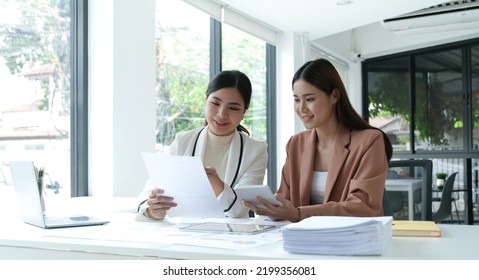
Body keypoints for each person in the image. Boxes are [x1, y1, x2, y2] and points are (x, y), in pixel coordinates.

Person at [244, 58, 393, 222]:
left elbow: (363, 207)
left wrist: (298, 214)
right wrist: (271, 207)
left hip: (351, 240)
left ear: (334, 96)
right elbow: (285, 199)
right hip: (304, 239)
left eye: (309, 99)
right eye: (296, 99)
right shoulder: (296, 144)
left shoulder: (370, 141)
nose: (302, 109)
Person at [136, 70, 268, 221]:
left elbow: (241, 209)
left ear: (244, 111)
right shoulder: (182, 141)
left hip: (232, 238)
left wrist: (216, 183)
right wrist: (153, 210)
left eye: (233, 108)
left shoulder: (256, 150)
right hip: (184, 233)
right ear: (206, 101)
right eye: (215, 103)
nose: (221, 114)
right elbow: (150, 190)